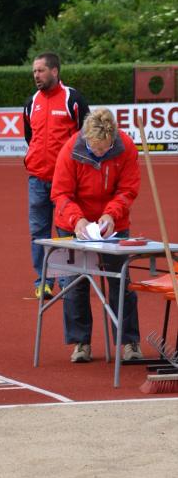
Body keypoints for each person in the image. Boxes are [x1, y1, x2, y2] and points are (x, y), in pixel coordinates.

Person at [51, 107, 143, 363]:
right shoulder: (70, 149)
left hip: (113, 223)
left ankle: (129, 341)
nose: (100, 153)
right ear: (86, 138)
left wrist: (111, 214)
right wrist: (76, 219)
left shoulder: (126, 148)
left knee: (121, 282)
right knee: (75, 283)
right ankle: (81, 343)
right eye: (95, 148)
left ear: (113, 138)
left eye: (104, 148)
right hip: (73, 223)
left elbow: (128, 189)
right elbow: (60, 193)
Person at [23, 53, 89, 298]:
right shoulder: (31, 102)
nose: (36, 75)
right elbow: (30, 137)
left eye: (40, 70)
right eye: (34, 71)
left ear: (54, 71)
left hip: (66, 182)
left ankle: (66, 280)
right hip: (37, 179)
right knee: (38, 233)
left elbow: (86, 135)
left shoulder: (73, 99)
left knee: (65, 233)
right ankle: (43, 281)